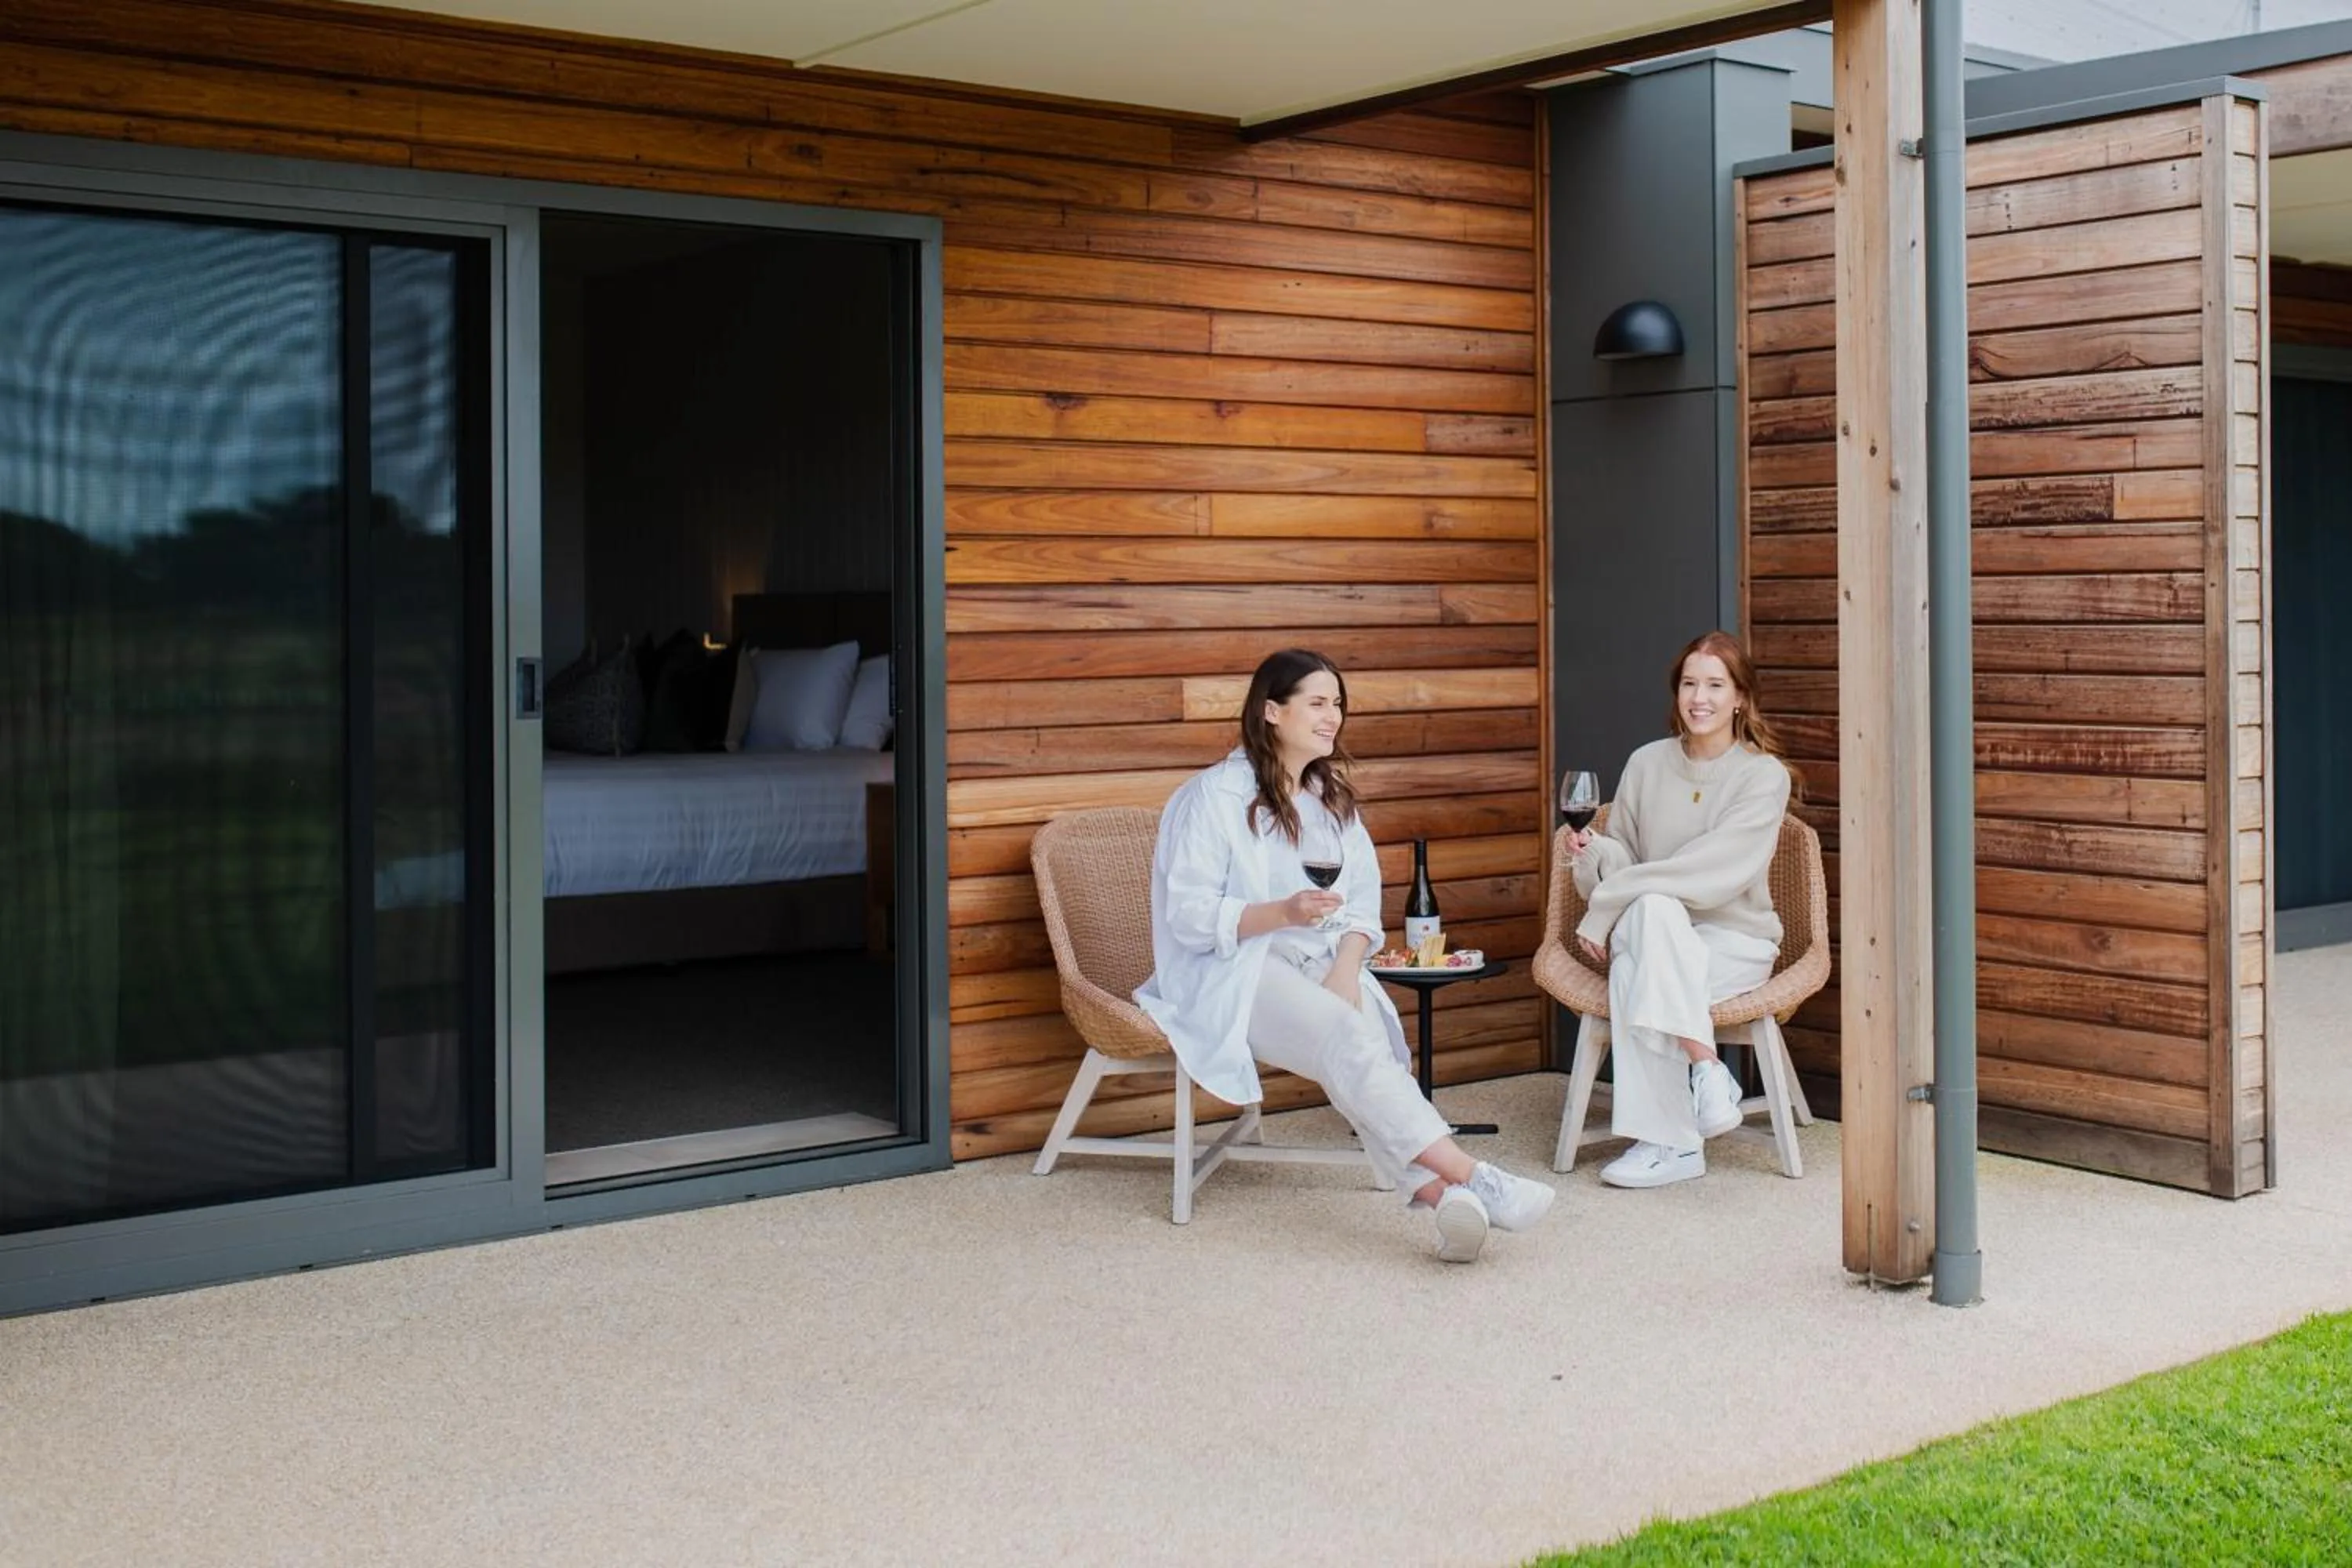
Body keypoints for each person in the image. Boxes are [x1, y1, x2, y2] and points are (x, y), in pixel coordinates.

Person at [1134, 648, 1557, 1262]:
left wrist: (1346, 970)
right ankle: (1474, 1176)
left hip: (1320, 963)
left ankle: (1443, 1197)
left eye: (1337, 703)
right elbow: (1190, 917)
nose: (1332, 716)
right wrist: (1282, 913)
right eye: (1317, 703)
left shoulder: (1328, 797)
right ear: (1272, 711)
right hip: (1232, 968)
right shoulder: (1212, 797)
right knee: (1345, 1035)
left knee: (1365, 1040)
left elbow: (1360, 901)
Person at [1568, 630, 1796, 1190]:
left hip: (1733, 941)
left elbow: (1711, 873)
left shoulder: (1764, 775)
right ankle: (1707, 1069)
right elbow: (1625, 857)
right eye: (1690, 684)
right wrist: (1594, 854)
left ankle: (1670, 1143)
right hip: (1653, 929)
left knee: (1634, 970)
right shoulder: (1647, 762)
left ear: (1740, 697)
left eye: (1715, 685)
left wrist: (1607, 906)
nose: (1700, 698)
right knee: (1653, 914)